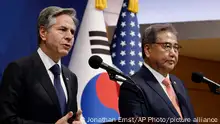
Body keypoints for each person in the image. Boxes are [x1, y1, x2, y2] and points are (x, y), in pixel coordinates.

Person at [0, 6, 83, 124]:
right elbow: (6, 120)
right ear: (43, 33)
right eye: (63, 29)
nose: (69, 37)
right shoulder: (19, 69)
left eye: (72, 32)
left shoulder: (71, 77)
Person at [119, 24, 196, 122]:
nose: (173, 53)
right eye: (167, 46)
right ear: (148, 50)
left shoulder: (178, 83)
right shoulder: (133, 86)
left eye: (176, 47)